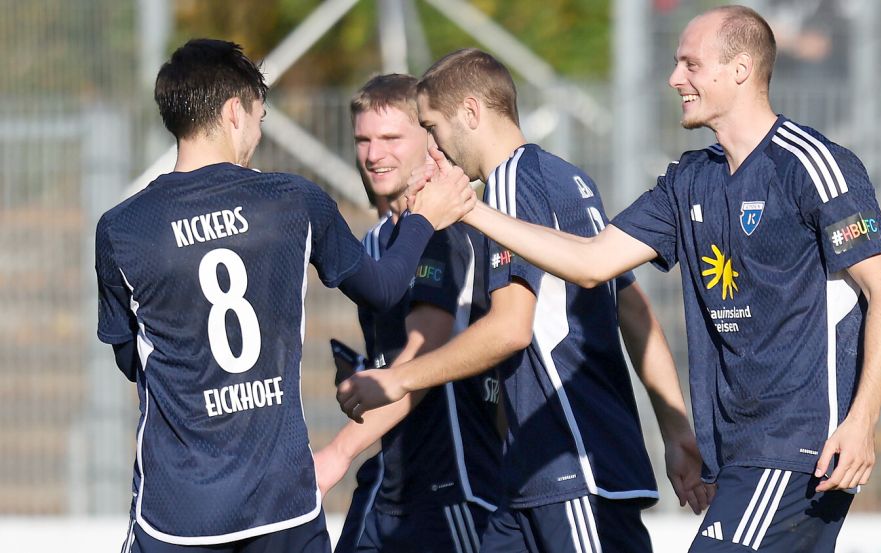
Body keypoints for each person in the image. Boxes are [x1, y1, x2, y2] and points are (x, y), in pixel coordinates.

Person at [453, 6, 881, 552]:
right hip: (739, 453)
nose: (675, 79)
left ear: (740, 69)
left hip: (799, 446)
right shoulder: (689, 180)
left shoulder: (810, 164)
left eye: (690, 64)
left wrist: (861, 422)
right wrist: (470, 211)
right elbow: (593, 261)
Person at [95, 39, 473, 552]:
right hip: (284, 504)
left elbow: (133, 357)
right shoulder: (292, 201)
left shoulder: (123, 228)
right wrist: (426, 218)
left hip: (179, 511)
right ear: (234, 113)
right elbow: (385, 289)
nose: (257, 131)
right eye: (259, 116)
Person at [336, 48, 708, 553]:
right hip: (538, 475)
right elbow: (634, 311)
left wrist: (396, 379)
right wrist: (675, 430)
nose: (435, 148)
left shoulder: (509, 182)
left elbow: (511, 328)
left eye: (434, 127)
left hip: (571, 463)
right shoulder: (567, 178)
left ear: (470, 113)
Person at [318, 74, 503, 553]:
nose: (374, 154)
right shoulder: (378, 241)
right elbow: (395, 360)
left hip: (451, 488)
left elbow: (424, 357)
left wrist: (336, 454)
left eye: (391, 138)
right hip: (391, 482)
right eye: (363, 139)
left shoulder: (448, 231)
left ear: (429, 136)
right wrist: (363, 374)